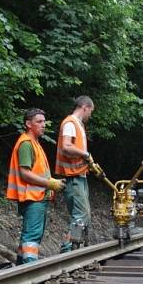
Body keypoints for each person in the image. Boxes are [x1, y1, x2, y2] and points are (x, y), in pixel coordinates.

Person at [6, 108, 65, 264]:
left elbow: (40, 172)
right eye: (39, 122)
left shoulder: (35, 143)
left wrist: (53, 181)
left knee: (29, 236)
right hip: (32, 198)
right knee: (31, 237)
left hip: (37, 197)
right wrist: (49, 183)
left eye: (44, 122)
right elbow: (25, 173)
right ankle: (30, 271)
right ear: (28, 124)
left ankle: (20, 268)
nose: (43, 125)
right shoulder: (26, 144)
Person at [56, 95, 95, 252]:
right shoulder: (70, 123)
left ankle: (78, 250)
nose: (90, 115)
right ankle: (68, 250)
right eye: (90, 111)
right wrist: (85, 155)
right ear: (85, 107)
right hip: (73, 176)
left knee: (84, 215)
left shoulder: (78, 125)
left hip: (79, 175)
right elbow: (66, 146)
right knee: (80, 215)